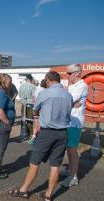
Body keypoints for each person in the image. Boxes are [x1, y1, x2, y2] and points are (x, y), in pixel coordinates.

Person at [8, 71, 73, 201]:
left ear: (49, 80)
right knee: (55, 165)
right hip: (63, 133)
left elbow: (35, 108)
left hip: (47, 132)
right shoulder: (68, 95)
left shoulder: (45, 93)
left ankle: (23, 190)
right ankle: (49, 195)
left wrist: (39, 116)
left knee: (34, 162)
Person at [60, 64, 88, 187]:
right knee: (69, 149)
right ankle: (71, 172)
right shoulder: (73, 86)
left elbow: (67, 99)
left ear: (77, 73)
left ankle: (74, 177)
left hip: (74, 122)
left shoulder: (82, 86)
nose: (67, 75)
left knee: (72, 150)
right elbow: (67, 101)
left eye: (69, 73)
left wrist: (66, 95)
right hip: (69, 121)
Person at [28, 79, 47, 146]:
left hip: (35, 108)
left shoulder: (37, 90)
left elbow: (33, 99)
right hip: (42, 110)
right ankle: (39, 139)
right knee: (41, 125)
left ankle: (33, 137)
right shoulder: (46, 91)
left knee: (36, 124)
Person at [19, 74, 36, 141]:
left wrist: (23, 100)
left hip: (23, 104)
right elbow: (34, 97)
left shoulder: (21, 86)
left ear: (26, 79)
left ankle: (22, 135)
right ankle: (30, 135)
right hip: (30, 105)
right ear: (30, 79)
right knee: (29, 120)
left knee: (23, 119)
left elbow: (20, 95)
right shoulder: (33, 86)